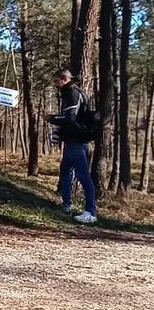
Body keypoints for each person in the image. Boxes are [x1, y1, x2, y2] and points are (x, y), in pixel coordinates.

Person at [48, 68, 97, 224]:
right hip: (74, 142)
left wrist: (51, 118)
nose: (55, 84)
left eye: (56, 81)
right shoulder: (73, 92)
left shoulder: (72, 93)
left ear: (64, 79)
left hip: (78, 143)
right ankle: (67, 205)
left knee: (83, 177)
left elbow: (69, 117)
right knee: (65, 173)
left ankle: (90, 212)